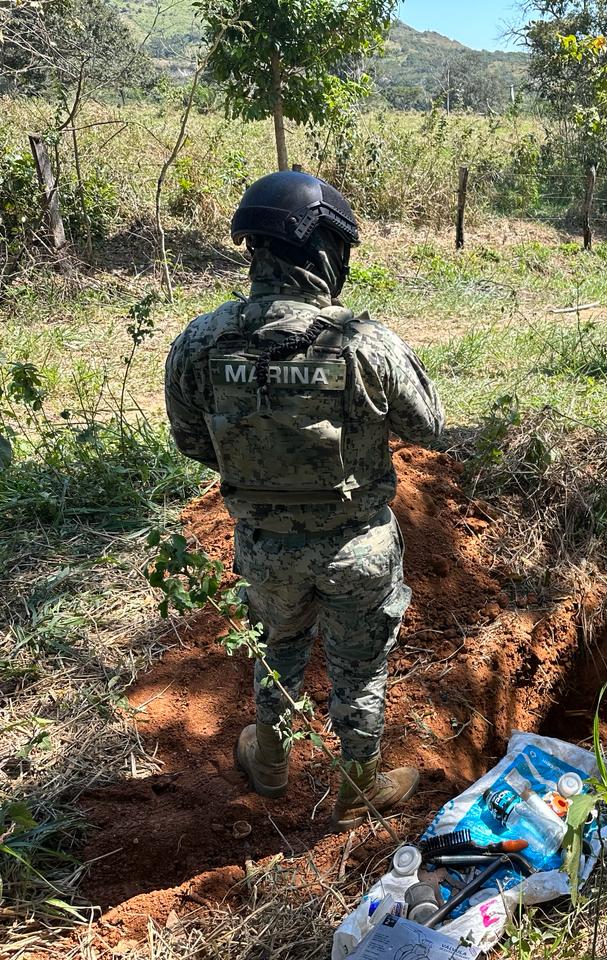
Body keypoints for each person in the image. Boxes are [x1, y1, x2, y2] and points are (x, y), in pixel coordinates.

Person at [164, 170, 445, 827]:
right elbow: (429, 428)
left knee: (277, 646)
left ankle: (268, 762)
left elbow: (190, 442)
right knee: (359, 665)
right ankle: (357, 786)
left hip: (264, 545)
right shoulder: (362, 342)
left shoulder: (199, 342)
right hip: (357, 545)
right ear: (325, 252)